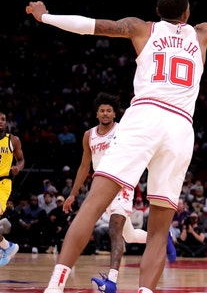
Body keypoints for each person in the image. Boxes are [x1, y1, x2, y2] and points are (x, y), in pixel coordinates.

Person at [27, 0, 207, 293]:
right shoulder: (202, 34)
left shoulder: (141, 28)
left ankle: (56, 286)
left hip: (145, 116)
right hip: (180, 127)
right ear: (186, 13)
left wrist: (44, 16)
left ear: (158, 11)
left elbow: (89, 25)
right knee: (159, 228)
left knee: (93, 204)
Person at [62, 92, 176, 293]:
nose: (105, 113)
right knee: (129, 235)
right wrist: (72, 193)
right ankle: (160, 236)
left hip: (122, 182)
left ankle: (112, 281)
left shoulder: (123, 130)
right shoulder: (89, 135)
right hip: (102, 186)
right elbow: (83, 166)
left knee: (114, 229)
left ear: (114, 114)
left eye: (109, 110)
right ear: (97, 113)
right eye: (102, 111)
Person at [0, 111, 25, 266]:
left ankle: (7, 246)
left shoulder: (13, 140)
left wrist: (18, 167)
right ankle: (7, 246)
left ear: (6, 122)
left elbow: (21, 159)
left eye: (2, 119)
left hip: (3, 184)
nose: (0, 122)